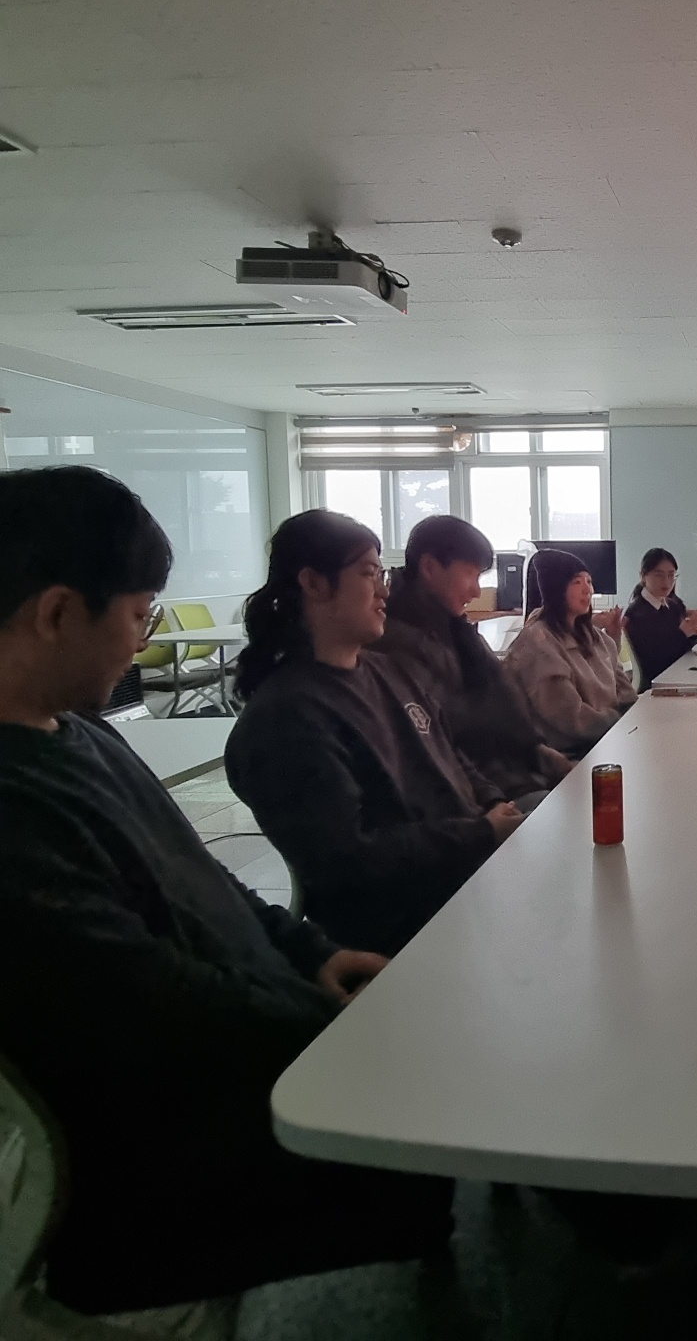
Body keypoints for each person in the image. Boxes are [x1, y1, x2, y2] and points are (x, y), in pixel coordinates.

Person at [0, 467, 451, 1318]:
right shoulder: (14, 811)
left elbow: (203, 877)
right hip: (172, 1145)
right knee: (450, 1106)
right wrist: (328, 1026)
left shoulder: (81, 729)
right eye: (141, 615)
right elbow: (145, 1001)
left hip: (255, 1035)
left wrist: (310, 953)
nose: (141, 641)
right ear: (57, 613)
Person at [227, 511, 522, 957]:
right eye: (368, 574)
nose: (384, 590)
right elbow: (353, 859)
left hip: (469, 874)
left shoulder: (386, 670)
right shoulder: (286, 718)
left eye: (382, 574)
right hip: (414, 926)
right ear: (314, 583)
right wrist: (482, 833)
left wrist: (494, 803)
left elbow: (448, 751)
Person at [376, 515, 571, 809]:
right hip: (480, 801)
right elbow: (444, 749)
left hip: (515, 776)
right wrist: (494, 807)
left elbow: (501, 705)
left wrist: (538, 751)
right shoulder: (395, 645)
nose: (476, 591)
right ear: (429, 568)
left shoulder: (456, 630)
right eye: (470, 574)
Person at [505, 548, 637, 755]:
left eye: (589, 581)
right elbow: (570, 716)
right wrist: (618, 723)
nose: (587, 589)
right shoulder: (538, 641)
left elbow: (625, 692)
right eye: (577, 582)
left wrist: (634, 720)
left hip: (611, 738)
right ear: (556, 589)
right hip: (572, 754)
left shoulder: (598, 638)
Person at [623, 547, 697, 692]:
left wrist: (695, 634)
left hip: (680, 675)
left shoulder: (674, 606)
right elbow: (654, 660)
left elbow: (684, 647)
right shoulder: (637, 613)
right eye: (658, 575)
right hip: (658, 685)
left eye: (671, 575)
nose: (666, 581)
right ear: (643, 576)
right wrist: (683, 634)